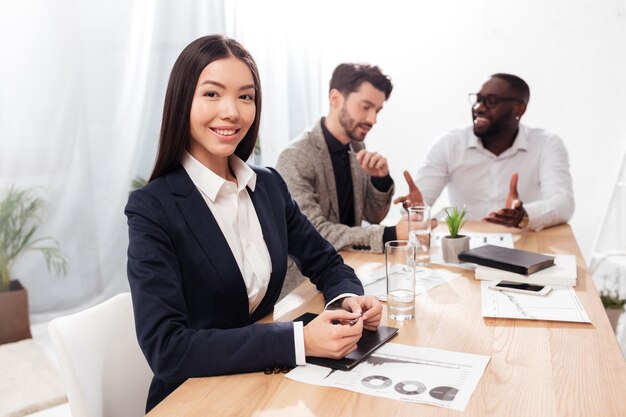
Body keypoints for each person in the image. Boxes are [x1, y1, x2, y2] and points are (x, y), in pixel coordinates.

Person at [125, 35, 382, 412]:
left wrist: (348, 301)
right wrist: (299, 341)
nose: (232, 111)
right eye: (212, 94)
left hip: (263, 388)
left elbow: (326, 262)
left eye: (245, 96)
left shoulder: (269, 187)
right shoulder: (153, 208)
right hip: (196, 397)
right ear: (183, 102)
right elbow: (167, 349)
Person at [395, 73, 574, 230]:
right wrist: (413, 207)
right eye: (478, 99)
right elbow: (419, 202)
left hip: (520, 242)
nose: (478, 108)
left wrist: (524, 215)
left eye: (491, 101)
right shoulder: (449, 144)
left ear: (520, 108)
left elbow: (563, 203)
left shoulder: (546, 144)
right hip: (464, 245)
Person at [276, 63, 407, 256]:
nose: (373, 119)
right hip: (308, 279)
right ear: (335, 98)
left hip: (351, 264)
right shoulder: (295, 156)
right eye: (366, 107)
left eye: (377, 111)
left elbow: (373, 216)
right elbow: (313, 232)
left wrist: (380, 180)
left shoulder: (356, 147)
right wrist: (389, 234)